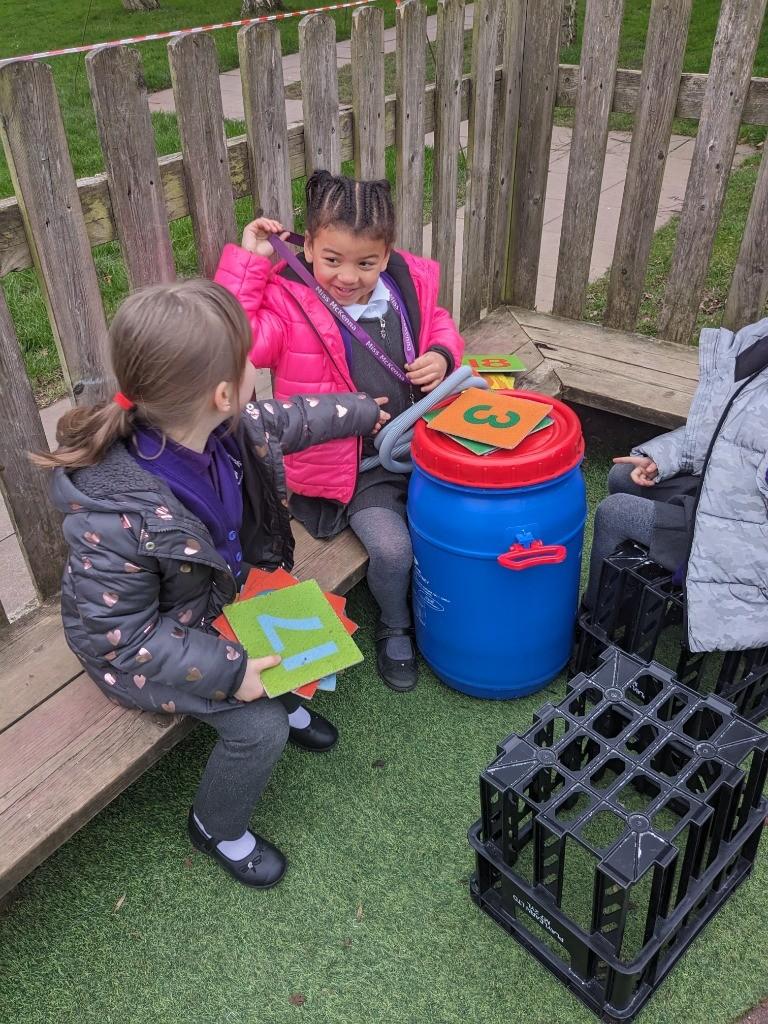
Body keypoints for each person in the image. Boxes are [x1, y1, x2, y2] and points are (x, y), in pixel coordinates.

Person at [33, 279, 384, 888]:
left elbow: (293, 418)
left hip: (212, 602)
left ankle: (280, 688)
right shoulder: (116, 518)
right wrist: (230, 671)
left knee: (287, 623)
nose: (256, 370)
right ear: (223, 392)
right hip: (137, 651)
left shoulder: (226, 428)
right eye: (249, 360)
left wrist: (361, 411)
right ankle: (216, 827)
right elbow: (125, 638)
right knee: (259, 729)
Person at [215, 170, 464, 692]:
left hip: (423, 445)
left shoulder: (404, 285)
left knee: (465, 525)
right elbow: (230, 339)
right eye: (332, 260)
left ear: (386, 254)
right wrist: (250, 263)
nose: (348, 276)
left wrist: (442, 354)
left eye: (365, 263)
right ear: (307, 247)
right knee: (392, 550)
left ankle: (455, 608)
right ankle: (395, 625)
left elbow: (438, 319)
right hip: (356, 472)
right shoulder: (288, 304)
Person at [584, 317, 768, 653]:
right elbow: (718, 431)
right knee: (622, 477)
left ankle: (593, 625)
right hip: (724, 495)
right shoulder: (760, 340)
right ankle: (628, 598)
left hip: (746, 539)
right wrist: (661, 458)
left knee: (616, 513)